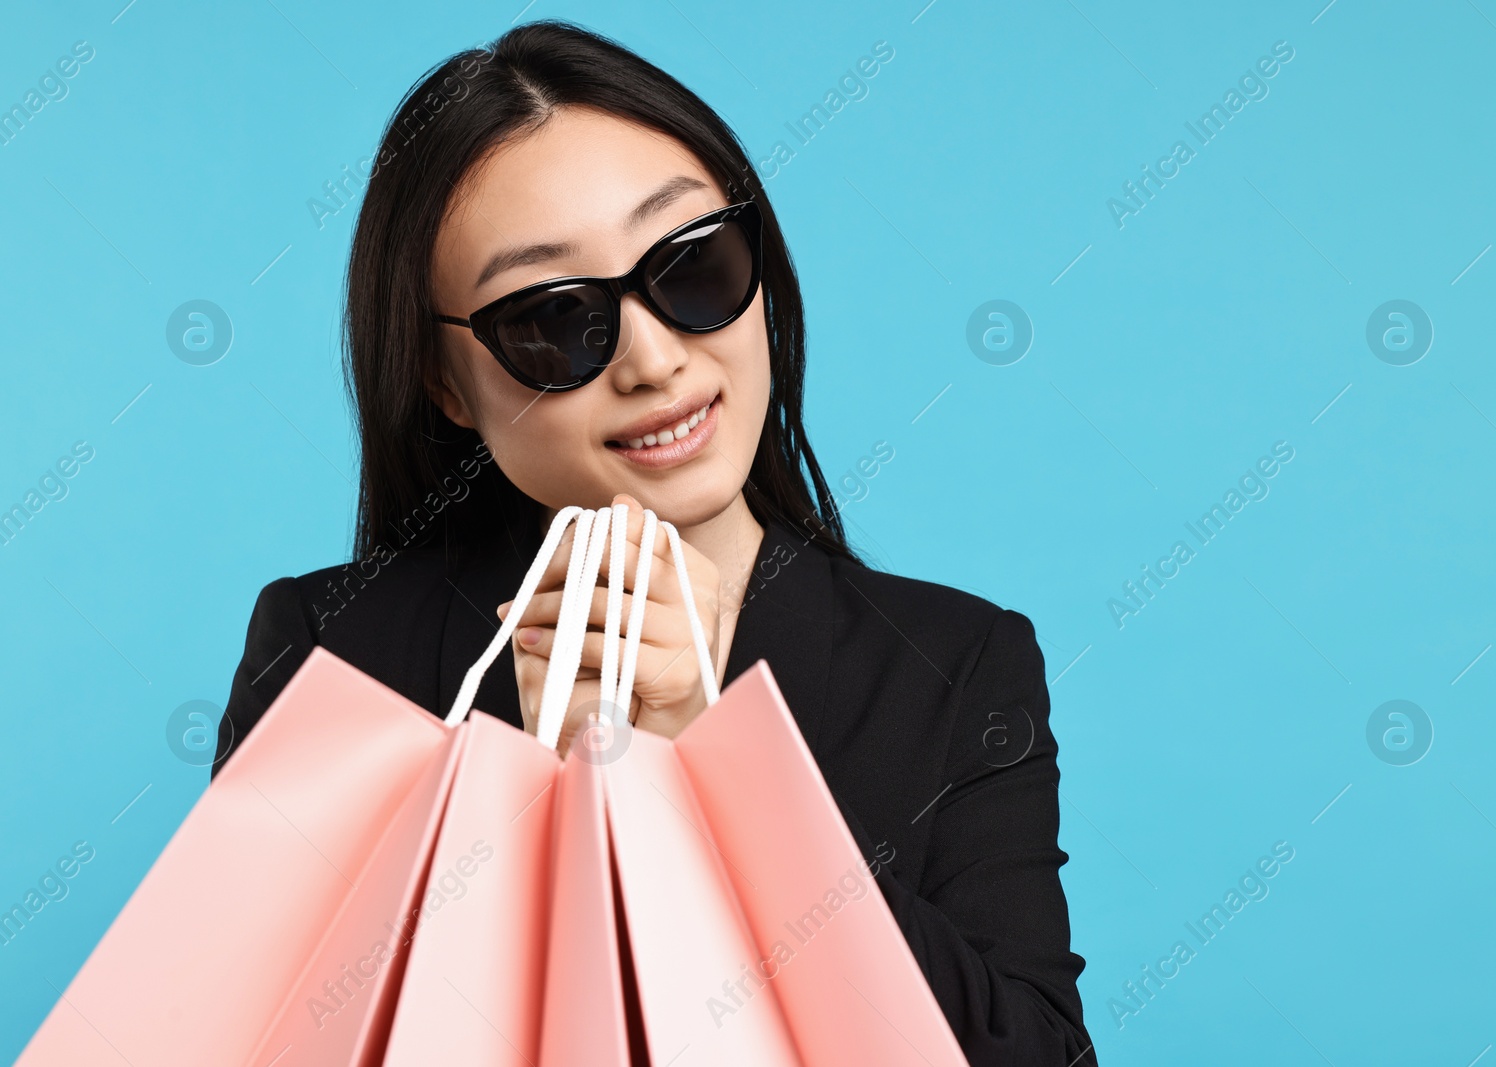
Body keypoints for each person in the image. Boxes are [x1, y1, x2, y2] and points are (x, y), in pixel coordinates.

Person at [218, 19, 1095, 1065]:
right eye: (553, 318)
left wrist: (719, 759)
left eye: (693, 265)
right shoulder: (335, 650)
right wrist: (532, 807)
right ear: (444, 380)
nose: (652, 358)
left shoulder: (954, 666)